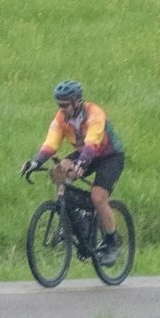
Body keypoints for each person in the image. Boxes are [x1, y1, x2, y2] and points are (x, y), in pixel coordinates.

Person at [25, 79, 125, 258]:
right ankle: (69, 216)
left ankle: (112, 242)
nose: (62, 109)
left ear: (77, 101)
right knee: (59, 171)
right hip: (86, 153)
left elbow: (92, 143)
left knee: (97, 196)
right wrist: (35, 162)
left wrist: (82, 164)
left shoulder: (95, 114)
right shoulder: (61, 118)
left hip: (109, 156)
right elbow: (51, 143)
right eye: (59, 105)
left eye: (65, 105)